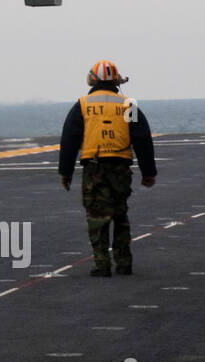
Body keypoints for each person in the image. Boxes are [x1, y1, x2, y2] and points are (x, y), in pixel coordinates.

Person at [58, 60, 157, 277]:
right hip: (121, 168)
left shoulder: (83, 105)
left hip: (94, 168)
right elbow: (142, 139)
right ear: (116, 80)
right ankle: (124, 262)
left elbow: (70, 140)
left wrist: (65, 172)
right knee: (120, 214)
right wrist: (149, 172)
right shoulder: (128, 104)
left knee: (96, 216)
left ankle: (102, 264)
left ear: (92, 79)